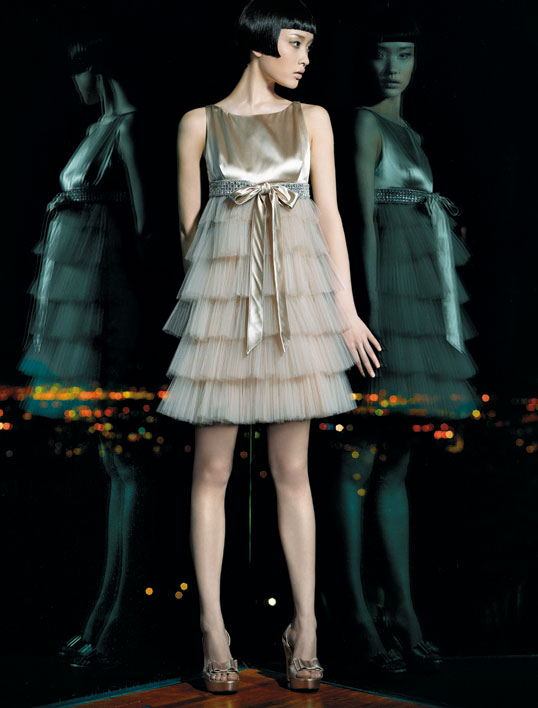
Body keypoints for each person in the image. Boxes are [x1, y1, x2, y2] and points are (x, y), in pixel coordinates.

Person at [158, 0, 381, 693]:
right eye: (295, 43)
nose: (305, 58)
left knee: (293, 473)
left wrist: (345, 311)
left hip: (295, 311)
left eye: (308, 46)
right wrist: (210, 322)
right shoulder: (198, 123)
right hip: (226, 313)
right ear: (259, 43)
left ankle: (305, 628)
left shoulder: (312, 119)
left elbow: (331, 218)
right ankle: (213, 629)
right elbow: (190, 236)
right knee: (211, 473)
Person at [325, 9, 478, 674]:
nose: (393, 66)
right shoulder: (364, 122)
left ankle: (402, 612)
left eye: (405, 53)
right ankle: (356, 616)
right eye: (382, 52)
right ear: (366, 59)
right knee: (358, 459)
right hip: (383, 302)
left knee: (396, 465)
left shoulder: (410, 131)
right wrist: (366, 316)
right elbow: (358, 221)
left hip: (419, 301)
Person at [20, 35, 154, 668]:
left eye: (78, 71)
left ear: (95, 72)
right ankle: (106, 614)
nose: (73, 84)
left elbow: (146, 229)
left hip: (109, 310)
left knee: (125, 461)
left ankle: (118, 616)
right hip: (85, 313)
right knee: (113, 462)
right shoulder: (101, 127)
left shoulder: (126, 128)